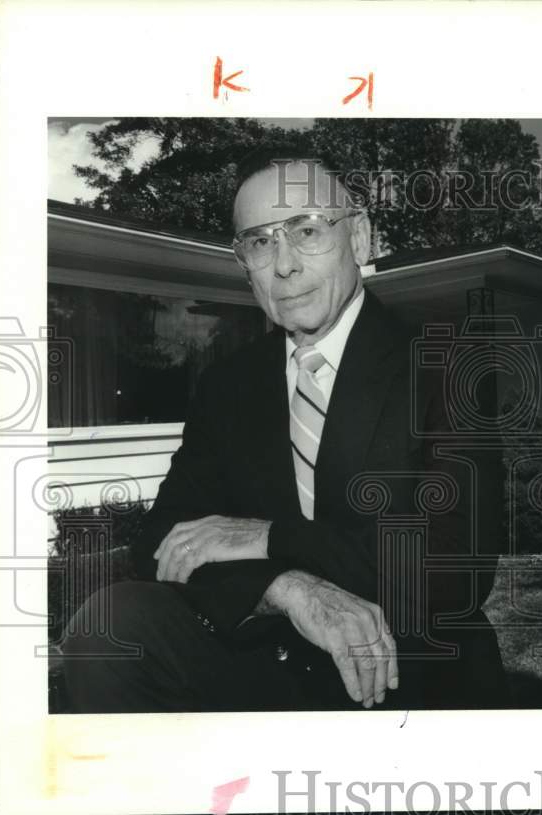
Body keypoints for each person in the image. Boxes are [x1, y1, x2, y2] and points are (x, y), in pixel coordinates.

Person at [63, 154, 508, 712]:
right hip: (264, 659)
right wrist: (287, 588)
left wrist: (270, 537)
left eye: (306, 230)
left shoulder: (447, 362)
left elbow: (454, 564)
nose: (284, 265)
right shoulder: (228, 384)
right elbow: (163, 540)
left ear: (362, 239)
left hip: (408, 667)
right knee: (111, 624)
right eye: (259, 242)